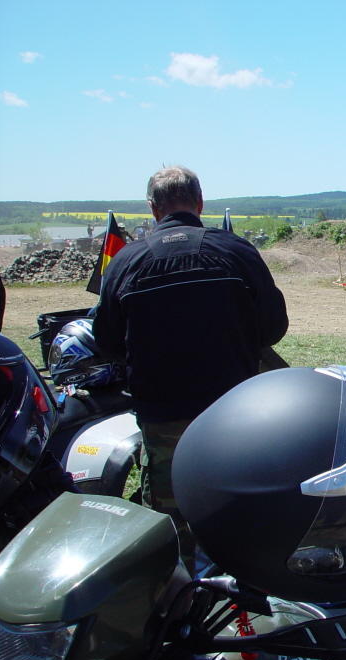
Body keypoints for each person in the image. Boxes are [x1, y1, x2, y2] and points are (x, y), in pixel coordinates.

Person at [92, 165, 289, 574]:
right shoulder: (236, 251)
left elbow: (107, 344)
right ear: (200, 203)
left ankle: (179, 595)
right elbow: (273, 328)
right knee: (240, 506)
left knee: (171, 520)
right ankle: (245, 587)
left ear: (153, 208)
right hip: (234, 415)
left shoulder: (126, 262)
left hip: (163, 418)